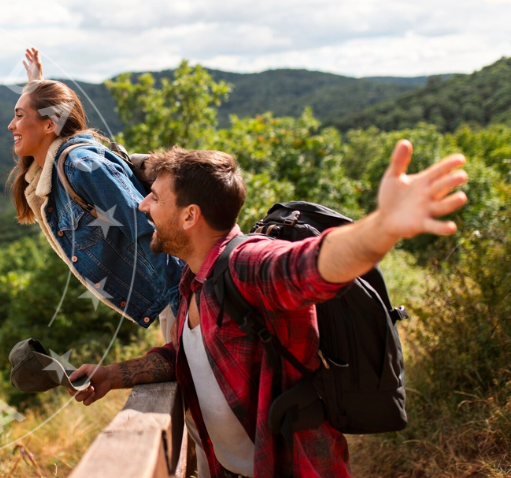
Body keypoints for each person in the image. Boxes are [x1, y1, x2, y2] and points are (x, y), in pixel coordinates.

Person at [68, 141, 468, 477]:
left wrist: (383, 227)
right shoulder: (193, 279)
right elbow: (189, 353)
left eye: (155, 198)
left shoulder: (247, 264)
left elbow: (313, 265)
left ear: (190, 216)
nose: (142, 207)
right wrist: (113, 374)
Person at [7, 48, 183, 332]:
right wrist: (36, 85)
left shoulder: (82, 165)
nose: (10, 125)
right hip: (168, 298)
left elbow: (147, 229)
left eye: (18, 115)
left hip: (177, 294)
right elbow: (46, 130)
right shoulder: (51, 172)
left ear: (50, 124)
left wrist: (183, 301)